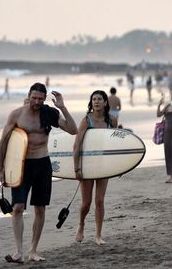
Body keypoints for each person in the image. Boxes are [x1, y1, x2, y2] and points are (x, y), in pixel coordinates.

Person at [0, 83, 77, 263]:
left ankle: (33, 251)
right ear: (29, 95)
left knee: (40, 208)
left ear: (44, 99)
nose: (37, 101)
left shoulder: (48, 113)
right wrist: (1, 168)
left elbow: (73, 130)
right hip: (21, 166)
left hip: (42, 164)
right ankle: (18, 252)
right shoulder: (17, 114)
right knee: (17, 207)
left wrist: (62, 107)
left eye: (40, 99)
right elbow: (3, 142)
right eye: (34, 98)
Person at [73, 90, 118, 245]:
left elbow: (114, 145)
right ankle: (81, 224)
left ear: (105, 102)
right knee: (86, 202)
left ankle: (98, 235)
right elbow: (77, 145)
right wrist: (76, 168)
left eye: (99, 99)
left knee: (99, 201)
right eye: (94, 99)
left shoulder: (112, 120)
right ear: (91, 102)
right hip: (87, 165)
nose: (96, 102)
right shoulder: (86, 120)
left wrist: (118, 167)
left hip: (103, 164)